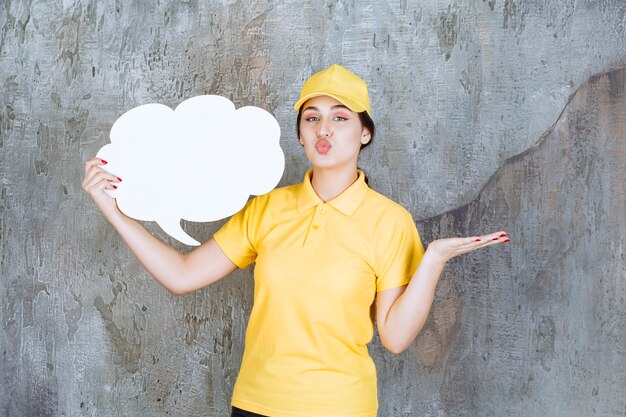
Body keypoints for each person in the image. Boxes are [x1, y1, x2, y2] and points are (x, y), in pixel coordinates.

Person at [82, 64, 509, 417]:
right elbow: (181, 275)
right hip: (254, 403)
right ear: (301, 135)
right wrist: (112, 210)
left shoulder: (390, 221)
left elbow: (395, 338)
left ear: (364, 133)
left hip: (341, 407)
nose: (324, 128)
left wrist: (433, 259)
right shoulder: (267, 209)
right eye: (312, 118)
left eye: (340, 117)